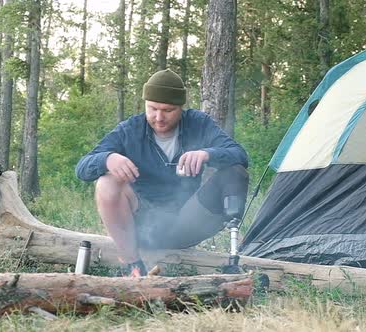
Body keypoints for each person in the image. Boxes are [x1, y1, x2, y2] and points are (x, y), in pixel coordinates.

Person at [75, 69, 249, 276]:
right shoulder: (129, 131)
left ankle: (233, 257)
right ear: (145, 104)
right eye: (153, 108)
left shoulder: (198, 123)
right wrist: (107, 159)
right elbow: (82, 168)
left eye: (168, 110)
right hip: (142, 225)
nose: (159, 117)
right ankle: (133, 266)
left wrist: (207, 154)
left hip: (188, 220)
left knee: (234, 171)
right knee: (107, 182)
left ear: (181, 107)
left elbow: (240, 155)